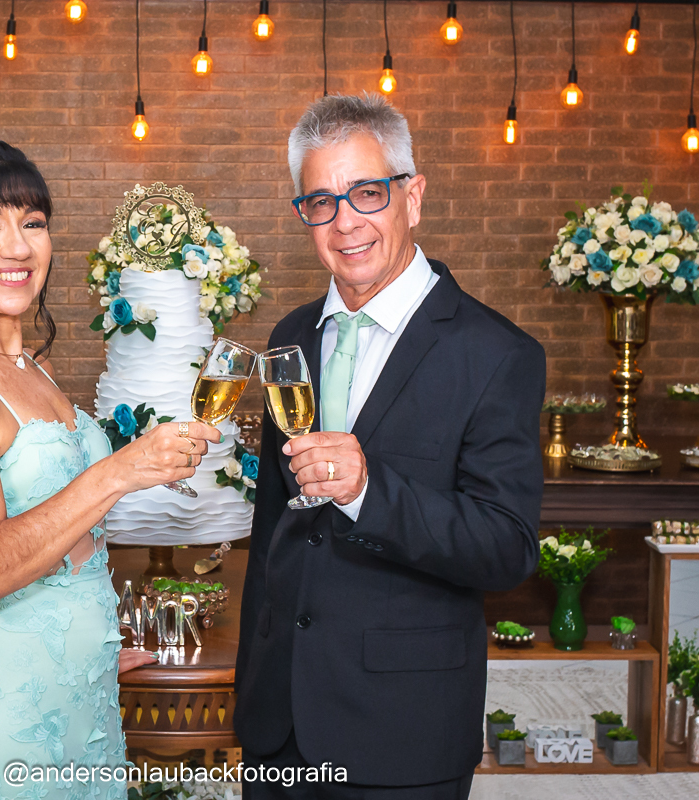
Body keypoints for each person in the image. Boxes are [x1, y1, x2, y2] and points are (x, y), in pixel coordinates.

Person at [234, 95, 546, 799]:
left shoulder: (496, 354)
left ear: (414, 197)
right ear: (302, 217)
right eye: (321, 201)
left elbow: (506, 548)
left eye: (367, 193)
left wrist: (370, 493)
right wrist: (252, 687)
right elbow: (275, 535)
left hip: (402, 729)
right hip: (277, 727)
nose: (345, 222)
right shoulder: (291, 335)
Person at [0, 137, 221, 799]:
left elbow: (67, 544)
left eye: (32, 223)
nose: (17, 247)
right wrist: (122, 470)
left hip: (72, 703)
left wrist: (91, 642)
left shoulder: (31, 371)